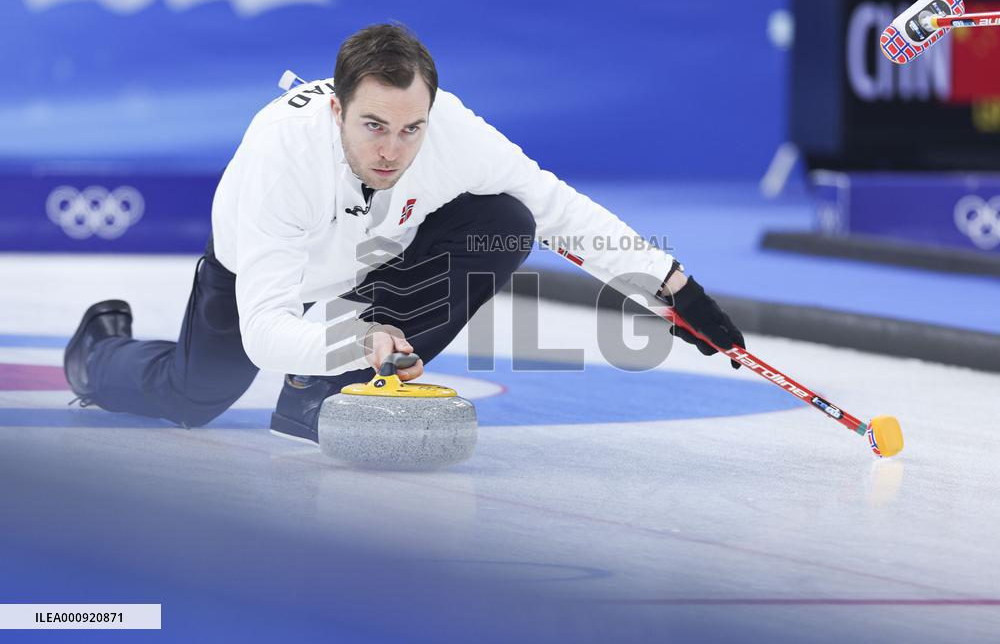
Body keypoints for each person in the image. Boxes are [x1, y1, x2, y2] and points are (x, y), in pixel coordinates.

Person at [63, 23, 745, 444]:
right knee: (193, 398)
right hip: (257, 277)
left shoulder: (450, 131)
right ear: (337, 108)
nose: (393, 149)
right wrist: (358, 338)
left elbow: (559, 207)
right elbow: (265, 330)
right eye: (374, 127)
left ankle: (323, 395)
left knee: (508, 219)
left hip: (362, 269)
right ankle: (96, 353)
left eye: (411, 127)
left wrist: (673, 288)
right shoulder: (283, 157)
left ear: (431, 110)